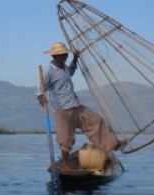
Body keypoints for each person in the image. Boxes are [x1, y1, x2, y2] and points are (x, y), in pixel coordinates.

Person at [37, 42, 126, 173]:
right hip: (62, 108)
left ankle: (112, 144)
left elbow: (71, 71)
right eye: (61, 55)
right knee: (66, 137)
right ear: (55, 56)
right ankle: (65, 164)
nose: (64, 57)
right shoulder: (49, 70)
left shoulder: (65, 68)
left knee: (96, 121)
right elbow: (40, 88)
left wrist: (75, 58)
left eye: (65, 55)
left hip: (74, 104)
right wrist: (40, 97)